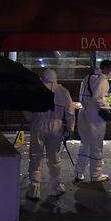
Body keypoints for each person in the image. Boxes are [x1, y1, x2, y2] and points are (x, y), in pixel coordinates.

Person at [24, 69, 76, 200]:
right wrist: (70, 128)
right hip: (56, 126)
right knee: (54, 158)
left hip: (38, 124)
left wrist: (32, 120)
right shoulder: (63, 91)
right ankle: (55, 187)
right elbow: (70, 111)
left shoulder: (35, 90)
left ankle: (34, 188)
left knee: (36, 156)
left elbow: (26, 109)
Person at [75, 59, 111, 182]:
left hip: (83, 112)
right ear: (105, 69)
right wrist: (107, 110)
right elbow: (98, 99)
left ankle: (78, 173)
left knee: (85, 143)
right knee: (96, 145)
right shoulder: (102, 80)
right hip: (95, 116)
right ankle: (96, 174)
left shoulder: (87, 77)